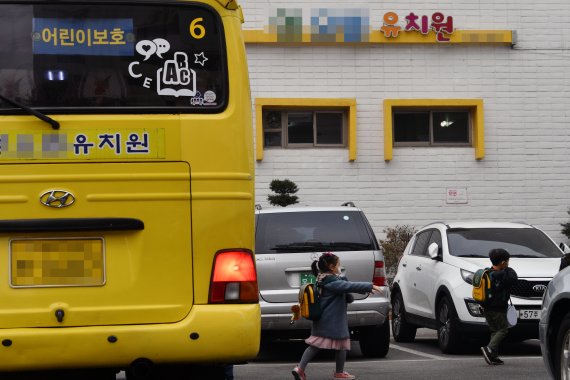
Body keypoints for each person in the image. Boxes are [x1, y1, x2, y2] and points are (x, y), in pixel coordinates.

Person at [292, 252, 381, 380]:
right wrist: (369, 286)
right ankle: (338, 372)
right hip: (333, 321)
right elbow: (348, 286)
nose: (340, 267)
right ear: (332, 267)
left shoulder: (321, 279)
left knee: (319, 346)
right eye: (339, 265)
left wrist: (345, 283)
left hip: (324, 321)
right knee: (341, 344)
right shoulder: (331, 282)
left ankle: (300, 368)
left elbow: (347, 296)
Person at [480, 248, 518, 365]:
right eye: (507, 261)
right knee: (503, 330)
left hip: (486, 308)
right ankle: (489, 349)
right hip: (498, 309)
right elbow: (513, 279)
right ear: (503, 262)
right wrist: (507, 269)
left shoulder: (487, 272)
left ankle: (493, 356)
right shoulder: (502, 275)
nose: (508, 263)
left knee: (495, 330)